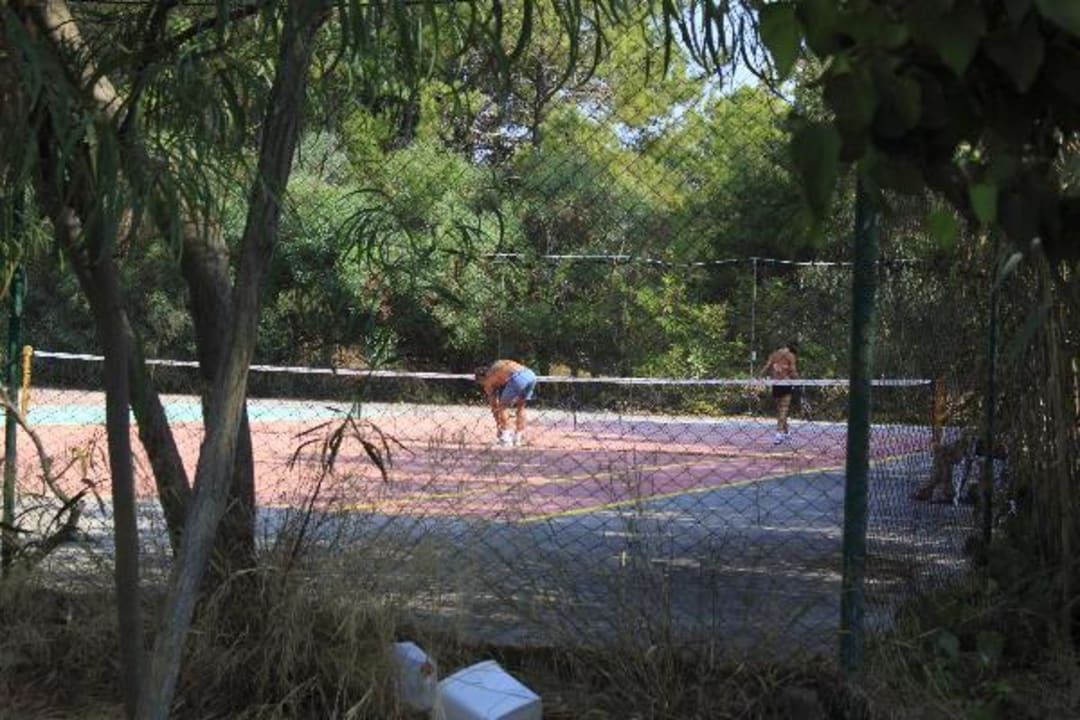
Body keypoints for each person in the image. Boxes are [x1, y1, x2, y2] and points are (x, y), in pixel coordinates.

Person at [475, 359, 538, 447]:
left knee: (503, 407)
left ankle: (506, 437)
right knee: (521, 407)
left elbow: (494, 404)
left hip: (518, 377)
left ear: (482, 378)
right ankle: (518, 438)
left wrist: (499, 425)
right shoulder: (499, 367)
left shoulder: (489, 378)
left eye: (481, 383)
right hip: (530, 375)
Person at [761, 340, 799, 444]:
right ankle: (778, 433)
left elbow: (766, 367)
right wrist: (799, 380)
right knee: (784, 409)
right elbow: (793, 370)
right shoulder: (790, 356)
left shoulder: (774, 355)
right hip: (786, 383)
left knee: (781, 411)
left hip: (776, 384)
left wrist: (759, 376)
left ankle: (787, 433)